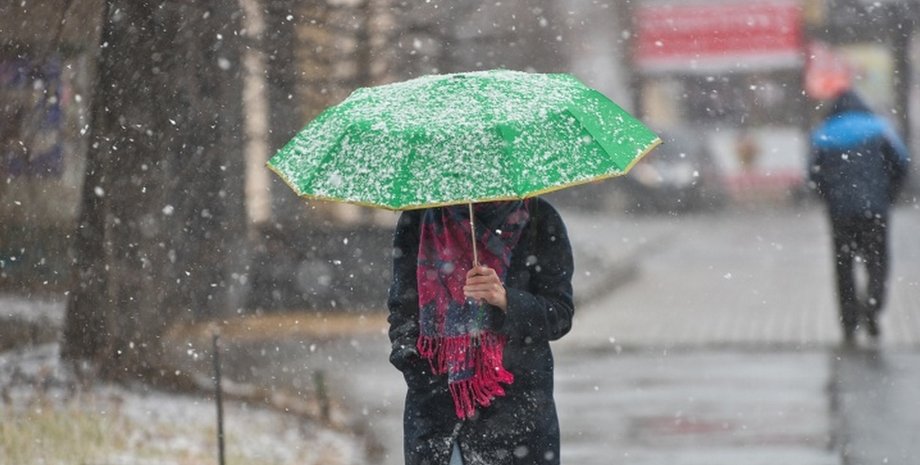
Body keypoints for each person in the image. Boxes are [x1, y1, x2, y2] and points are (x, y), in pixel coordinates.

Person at [387, 198, 574, 465]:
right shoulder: (420, 217)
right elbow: (403, 307)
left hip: (516, 413)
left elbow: (560, 314)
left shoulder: (539, 218)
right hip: (436, 411)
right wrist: (416, 365)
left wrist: (505, 300)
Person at [808, 89, 910, 343]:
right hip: (875, 209)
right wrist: (889, 195)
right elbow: (902, 163)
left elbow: (812, 174)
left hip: (840, 213)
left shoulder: (824, 133)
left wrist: (829, 198)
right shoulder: (880, 128)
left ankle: (849, 324)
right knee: (878, 262)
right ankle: (873, 306)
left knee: (844, 267)